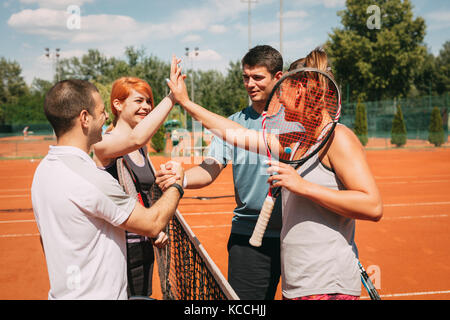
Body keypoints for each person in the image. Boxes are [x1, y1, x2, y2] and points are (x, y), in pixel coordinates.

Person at [164, 47, 383, 300]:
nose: (278, 95)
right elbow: (235, 132)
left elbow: (373, 205)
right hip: (299, 285)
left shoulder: (338, 138)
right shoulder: (298, 142)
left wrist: (301, 185)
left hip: (327, 285)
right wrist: (186, 103)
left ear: (300, 90)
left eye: (283, 88)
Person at [31, 77, 184, 300]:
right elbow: (152, 223)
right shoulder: (91, 179)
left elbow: (46, 239)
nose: (105, 117)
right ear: (84, 118)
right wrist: (177, 184)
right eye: (102, 111)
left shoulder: (43, 171)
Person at [157, 45, 284, 300]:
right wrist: (182, 177)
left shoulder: (298, 121)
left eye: (257, 77)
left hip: (295, 233)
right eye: (245, 77)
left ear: (278, 77)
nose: (250, 84)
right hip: (249, 237)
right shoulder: (232, 123)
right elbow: (209, 169)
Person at [92, 74, 175, 299]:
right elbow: (136, 139)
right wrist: (173, 97)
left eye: (149, 101)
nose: (146, 106)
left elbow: (143, 190)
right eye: (139, 101)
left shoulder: (141, 149)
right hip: (118, 249)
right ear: (117, 105)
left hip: (145, 245)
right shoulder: (103, 143)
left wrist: (162, 178)